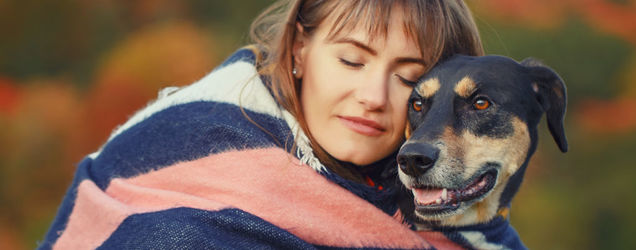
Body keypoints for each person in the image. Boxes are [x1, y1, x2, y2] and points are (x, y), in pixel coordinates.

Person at [38, 0, 484, 249]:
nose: (373, 96)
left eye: (409, 77)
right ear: (297, 51)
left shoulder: (452, 206)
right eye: (351, 60)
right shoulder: (196, 148)